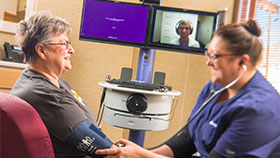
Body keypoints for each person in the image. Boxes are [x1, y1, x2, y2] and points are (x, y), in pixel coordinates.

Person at [95, 19, 280, 158]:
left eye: (215, 56)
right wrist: (139, 153)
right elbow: (189, 138)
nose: (208, 62)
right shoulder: (215, 87)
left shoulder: (259, 110)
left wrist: (142, 155)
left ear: (242, 61)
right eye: (207, 53)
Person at [10, 11, 111, 157]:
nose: (72, 50)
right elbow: (106, 150)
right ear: (41, 50)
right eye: (64, 44)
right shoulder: (45, 94)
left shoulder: (49, 81)